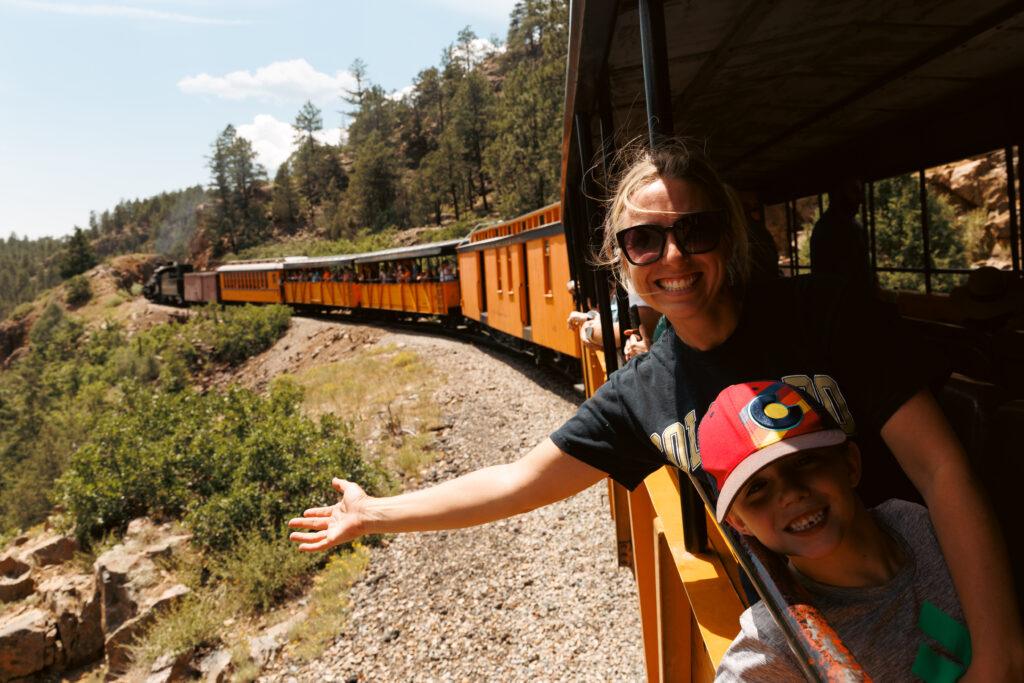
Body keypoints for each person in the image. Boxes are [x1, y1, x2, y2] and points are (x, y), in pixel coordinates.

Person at [289, 140, 1022, 680]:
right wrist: (377, 511)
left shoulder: (824, 313)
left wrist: (999, 652)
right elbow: (517, 482)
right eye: (645, 239)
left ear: (728, 237)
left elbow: (940, 467)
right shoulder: (645, 392)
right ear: (622, 258)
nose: (674, 255)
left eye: (695, 230)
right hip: (823, 641)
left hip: (942, 588)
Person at [701, 381, 966, 681]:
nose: (790, 493)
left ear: (850, 463)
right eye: (757, 487)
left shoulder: (919, 524)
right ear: (740, 524)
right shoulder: (774, 646)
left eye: (803, 461)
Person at [810, 179, 873, 292]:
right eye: (855, 191)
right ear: (838, 193)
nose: (861, 199)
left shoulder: (823, 227)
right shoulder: (842, 228)